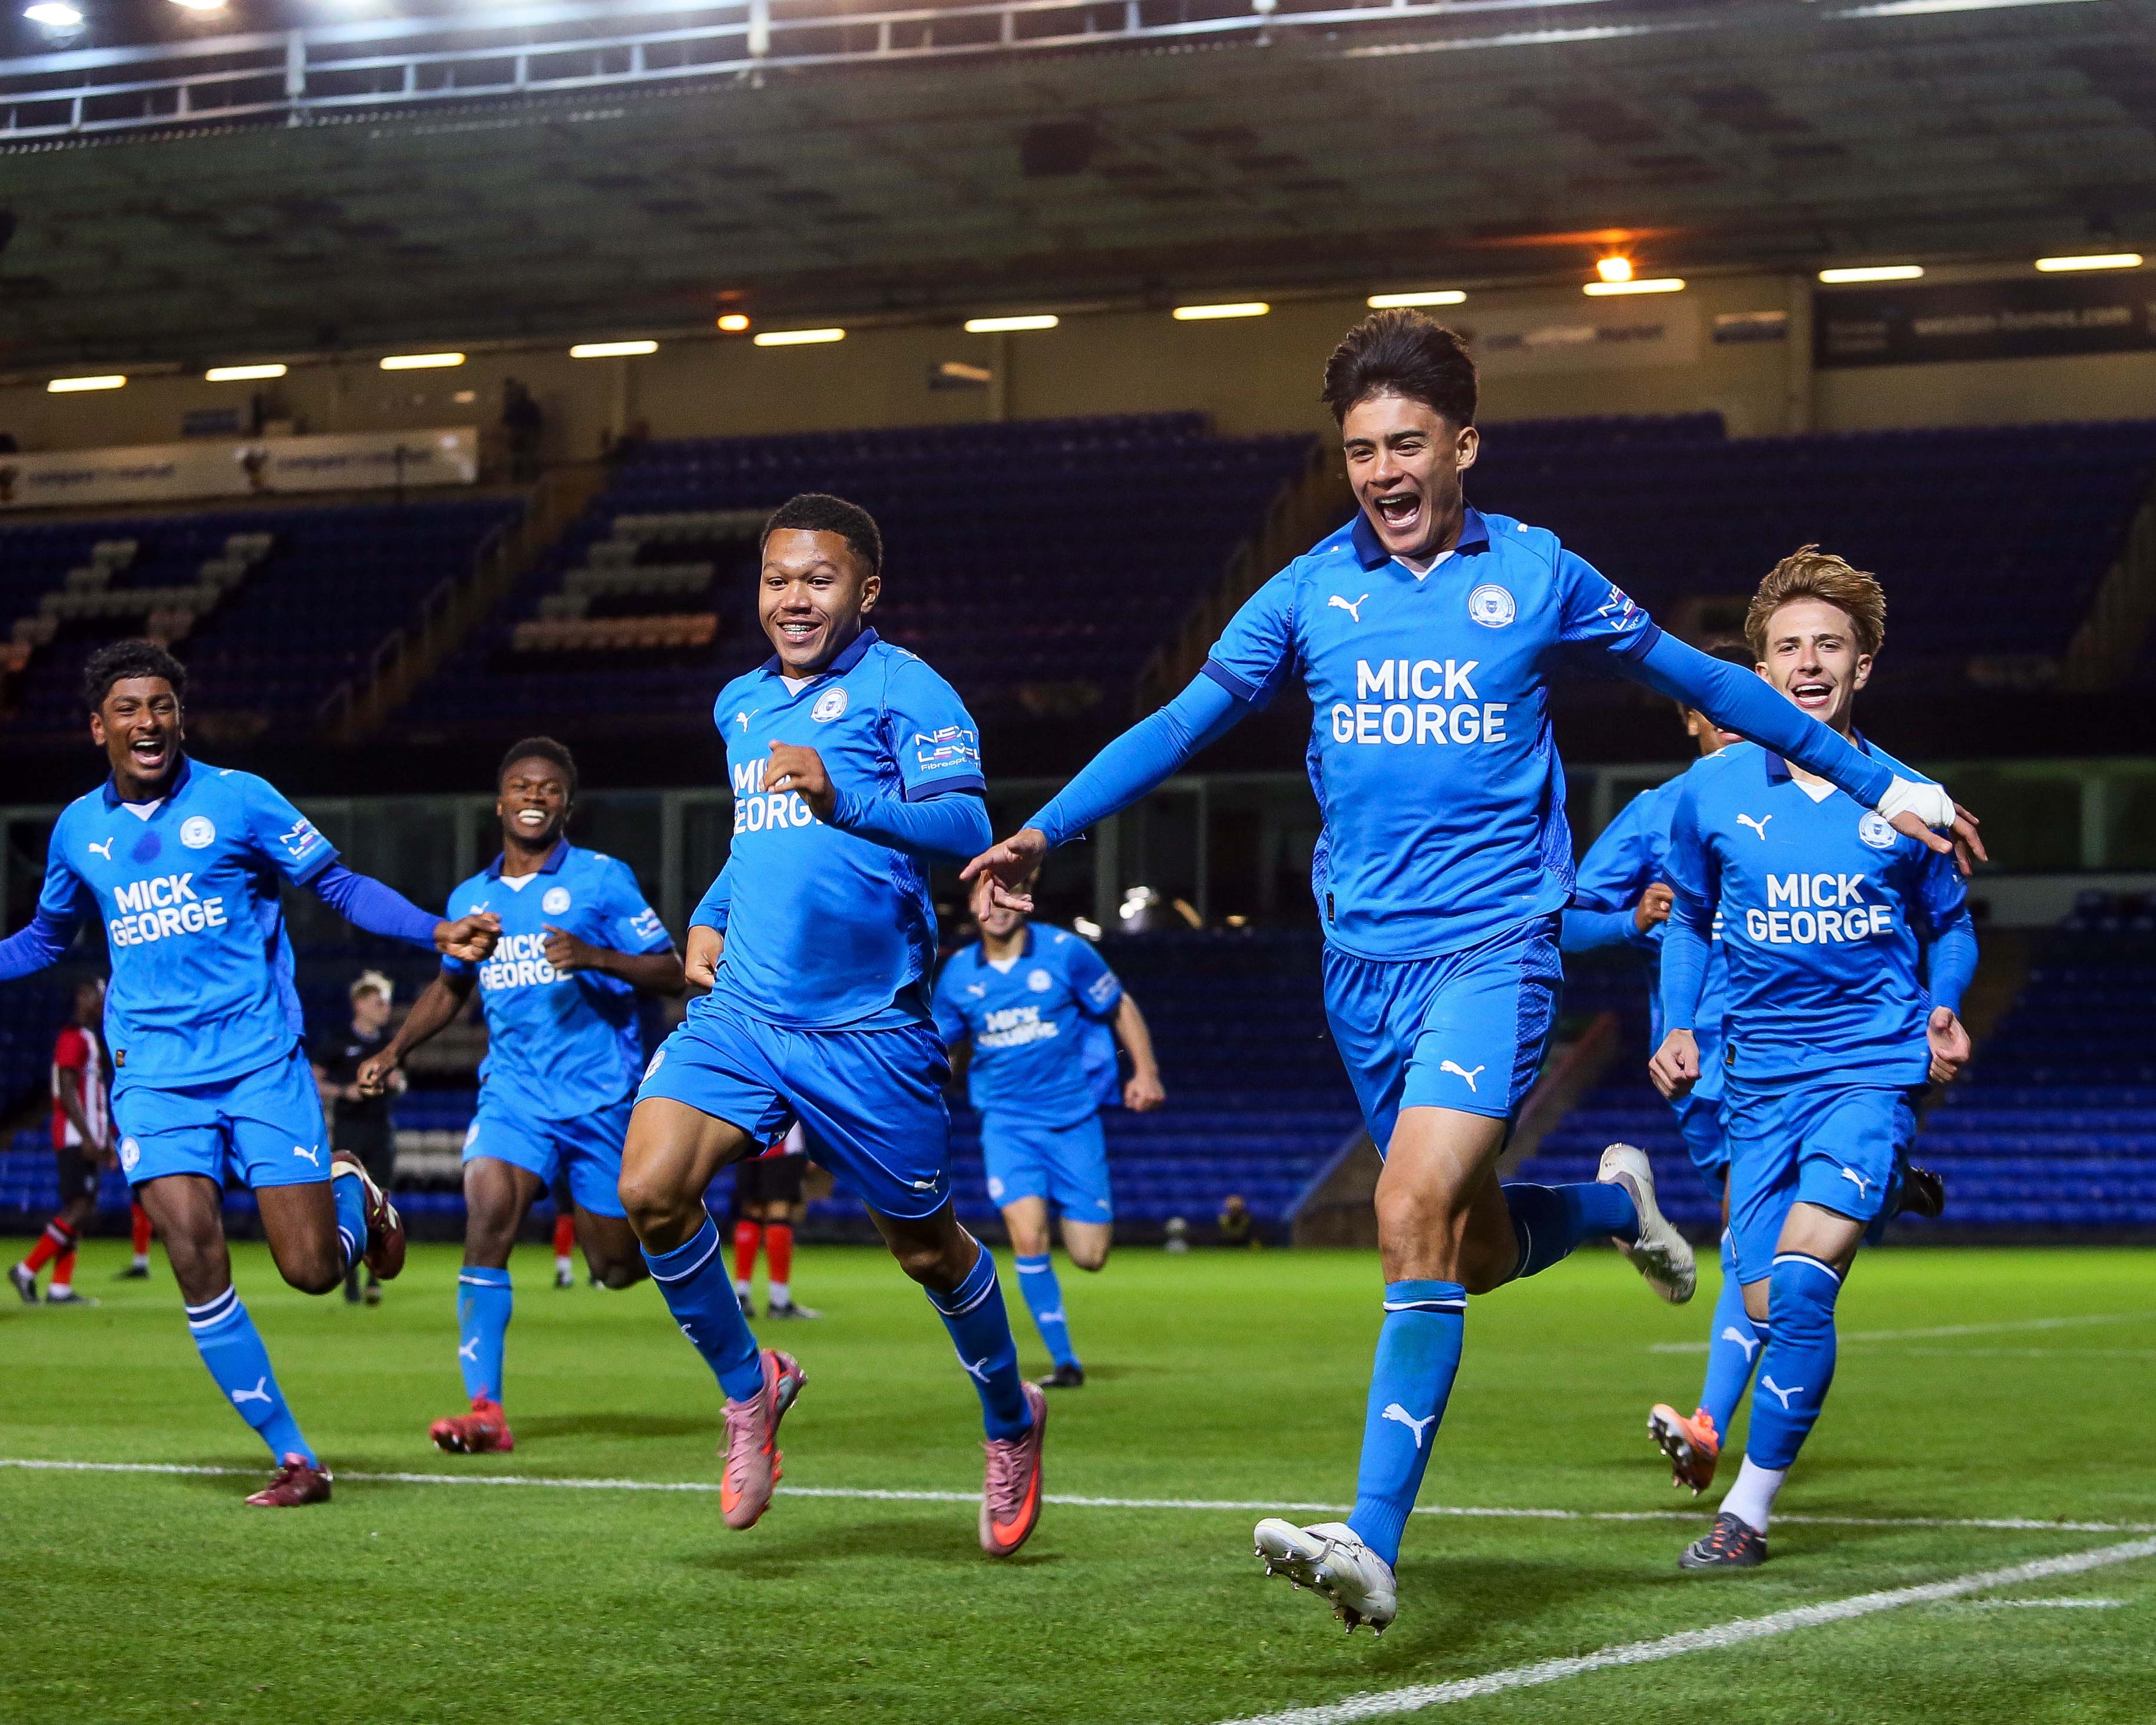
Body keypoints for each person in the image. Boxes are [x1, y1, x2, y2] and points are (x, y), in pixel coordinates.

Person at [962, 312, 1980, 1632]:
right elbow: (1180, 722)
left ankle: (1372, 1539)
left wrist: (1889, 783)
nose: (1383, 473)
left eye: (1408, 445)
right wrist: (1046, 828)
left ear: (1464, 446)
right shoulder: (1307, 593)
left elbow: (1725, 690)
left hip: (1497, 954)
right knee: (1472, 1247)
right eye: (1360, 451)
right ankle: (1619, 1214)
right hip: (1362, 974)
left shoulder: (1541, 574)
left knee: (1406, 1210)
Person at [619, 491, 1051, 1558]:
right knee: (650, 1188)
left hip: (868, 1029)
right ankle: (750, 1383)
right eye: (775, 578)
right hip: (746, 1010)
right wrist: (712, 914)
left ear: (866, 589)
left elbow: (966, 823)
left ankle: (1011, 1416)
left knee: (926, 1250)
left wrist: (845, 800)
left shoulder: (912, 689)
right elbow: (754, 836)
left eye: (817, 579)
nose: (793, 598)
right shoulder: (740, 704)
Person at [0, 640, 500, 1506]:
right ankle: (297, 1458)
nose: (147, 722)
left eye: (161, 705)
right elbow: (48, 939)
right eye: (128, 709)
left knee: (310, 1270)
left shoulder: (240, 800)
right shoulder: (80, 830)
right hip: (153, 1076)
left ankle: (359, 1198)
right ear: (98, 728)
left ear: (180, 718)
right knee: (196, 1258)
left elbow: (338, 887)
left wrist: (433, 930)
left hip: (260, 1065)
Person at [1649, 549, 1976, 1569]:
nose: (1808, 661)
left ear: (1862, 665)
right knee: (1756, 1305)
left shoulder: (1908, 798)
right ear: (1758, 671)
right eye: (1787, 646)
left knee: (1796, 1291)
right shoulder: (1705, 792)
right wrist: (1677, 1021)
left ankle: (1745, 1514)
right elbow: (1690, 919)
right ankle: (1885, 1193)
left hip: (1869, 1069)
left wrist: (1944, 1007)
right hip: (1757, 1082)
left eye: (1828, 644)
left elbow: (1954, 925)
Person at [357, 738, 682, 1456]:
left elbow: (673, 971)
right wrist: (393, 1050)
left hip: (601, 1100)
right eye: (521, 787)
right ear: (500, 802)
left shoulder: (603, 880)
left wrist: (596, 957)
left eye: (549, 789)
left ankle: (652, 1241)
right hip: (513, 1098)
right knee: (488, 1211)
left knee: (616, 1269)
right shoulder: (471, 900)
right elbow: (450, 988)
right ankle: (486, 1409)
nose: (534, 797)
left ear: (567, 804)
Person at [933, 873, 1166, 1388]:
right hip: (1006, 1125)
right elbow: (939, 1050)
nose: (997, 907)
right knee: (1027, 1236)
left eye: (1006, 895)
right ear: (973, 905)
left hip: (1072, 1121)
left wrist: (1144, 1072)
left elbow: (1119, 1004)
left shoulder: (1066, 953)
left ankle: (1075, 1229)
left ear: (1025, 901)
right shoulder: (956, 978)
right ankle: (1065, 1363)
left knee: (1090, 1256)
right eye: (985, 896)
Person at [10, 977, 112, 1307]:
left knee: (82, 1207)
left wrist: (105, 1138)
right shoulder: (73, 1038)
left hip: (84, 1135)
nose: (102, 1003)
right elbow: (67, 1089)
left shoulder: (86, 1037)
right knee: (79, 1206)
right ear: (82, 997)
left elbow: (93, 1097)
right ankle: (26, 1270)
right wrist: (87, 1138)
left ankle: (59, 1289)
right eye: (98, 995)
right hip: (73, 1136)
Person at [310, 970, 404, 1307]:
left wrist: (397, 1082)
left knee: (380, 1206)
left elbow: (403, 1079)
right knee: (347, 1202)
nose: (385, 1009)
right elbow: (313, 1080)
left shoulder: (388, 1043)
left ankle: (374, 1279)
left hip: (381, 1130)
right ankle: (349, 1278)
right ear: (360, 1004)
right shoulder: (336, 1040)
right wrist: (343, 1091)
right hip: (350, 1130)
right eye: (379, 1002)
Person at [732, 1122, 821, 1321]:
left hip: (748, 1141)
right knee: (779, 1212)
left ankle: (741, 1296)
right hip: (783, 1143)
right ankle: (779, 1301)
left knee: (750, 1212)